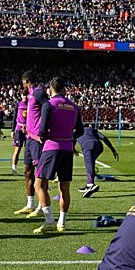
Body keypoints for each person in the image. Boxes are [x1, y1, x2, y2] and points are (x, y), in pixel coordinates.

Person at [32, 77, 84, 234]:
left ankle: (49, 220)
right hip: (67, 148)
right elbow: (80, 130)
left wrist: (43, 136)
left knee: (39, 184)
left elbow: (42, 130)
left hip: (51, 148)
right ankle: (62, 222)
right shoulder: (74, 107)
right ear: (64, 89)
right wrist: (70, 138)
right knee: (64, 187)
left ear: (50, 89)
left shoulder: (48, 105)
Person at [13, 71, 47, 216]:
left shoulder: (38, 92)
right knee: (27, 171)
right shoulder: (30, 95)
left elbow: (48, 107)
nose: (22, 86)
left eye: (23, 83)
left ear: (27, 82)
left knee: (39, 173)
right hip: (29, 137)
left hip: (37, 139)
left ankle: (41, 206)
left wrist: (42, 129)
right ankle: (30, 204)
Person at [76, 122, 118, 198]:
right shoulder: (92, 129)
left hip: (87, 145)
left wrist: (73, 150)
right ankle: (90, 181)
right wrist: (113, 150)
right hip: (99, 146)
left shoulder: (77, 131)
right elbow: (104, 138)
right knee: (91, 162)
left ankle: (90, 184)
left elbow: (72, 141)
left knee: (89, 164)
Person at [9, 92, 26, 176]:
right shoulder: (18, 104)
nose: (25, 97)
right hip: (19, 129)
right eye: (24, 95)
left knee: (28, 151)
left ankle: (27, 169)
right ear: (21, 95)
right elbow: (14, 117)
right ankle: (14, 168)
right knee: (17, 149)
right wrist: (12, 130)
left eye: (26, 95)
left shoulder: (31, 104)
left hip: (28, 130)